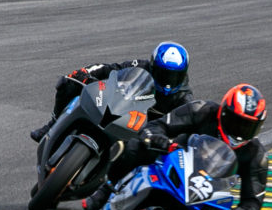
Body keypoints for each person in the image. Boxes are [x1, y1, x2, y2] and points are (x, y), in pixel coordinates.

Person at [84, 84, 269, 210]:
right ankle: (104, 192)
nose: (240, 131)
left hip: (207, 194)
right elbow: (159, 125)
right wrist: (156, 137)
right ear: (224, 113)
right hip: (175, 163)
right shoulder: (202, 110)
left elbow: (253, 200)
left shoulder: (256, 154)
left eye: (248, 126)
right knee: (133, 147)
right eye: (237, 122)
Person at [30, 41, 193, 142]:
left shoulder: (184, 98)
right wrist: (85, 73)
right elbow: (111, 68)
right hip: (122, 108)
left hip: (143, 133)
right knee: (68, 84)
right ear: (153, 66)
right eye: (164, 74)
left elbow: (187, 127)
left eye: (174, 76)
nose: (168, 81)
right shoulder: (141, 66)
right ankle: (51, 126)